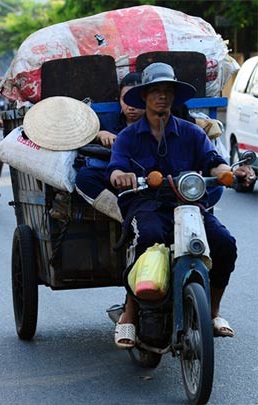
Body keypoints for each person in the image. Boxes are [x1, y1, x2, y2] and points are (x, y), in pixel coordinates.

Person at [107, 62, 255, 348]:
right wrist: (121, 177)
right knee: (147, 241)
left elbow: (213, 162)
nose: (162, 96)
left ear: (174, 97)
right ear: (144, 97)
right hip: (145, 206)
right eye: (155, 91)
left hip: (188, 206)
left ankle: (213, 312)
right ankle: (129, 314)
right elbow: (114, 169)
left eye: (167, 91)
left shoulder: (192, 133)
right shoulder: (128, 137)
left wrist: (228, 171)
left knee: (224, 243)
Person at [74, 72, 144, 222]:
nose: (131, 106)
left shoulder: (157, 122)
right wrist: (100, 134)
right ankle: (125, 219)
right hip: (115, 179)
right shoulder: (107, 120)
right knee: (85, 177)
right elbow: (81, 136)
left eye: (136, 99)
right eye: (126, 99)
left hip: (146, 178)